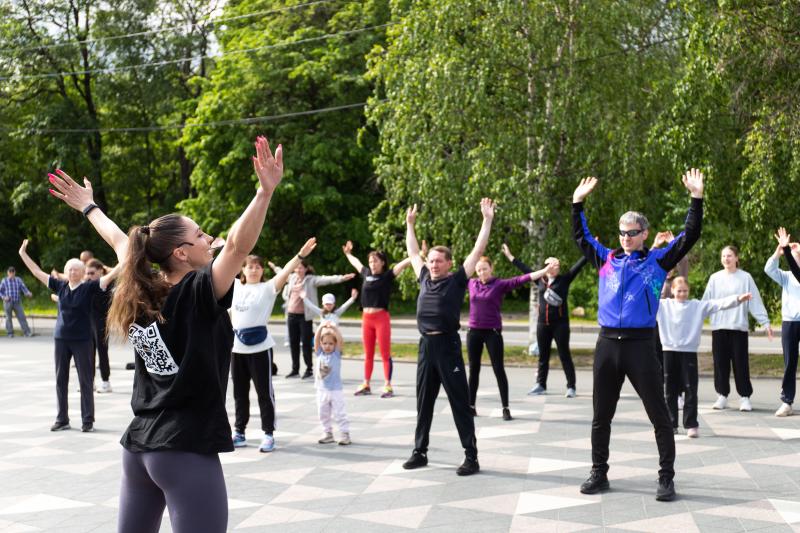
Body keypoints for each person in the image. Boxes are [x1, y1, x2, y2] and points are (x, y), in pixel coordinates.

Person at [48, 134, 283, 533]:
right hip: (183, 449)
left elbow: (122, 242)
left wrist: (89, 207)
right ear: (181, 253)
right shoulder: (196, 290)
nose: (209, 239)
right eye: (201, 235)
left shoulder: (140, 286)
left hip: (139, 448)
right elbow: (239, 248)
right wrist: (264, 193)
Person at [572, 169, 704, 502]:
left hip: (641, 345)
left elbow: (689, 235)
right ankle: (598, 473)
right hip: (607, 344)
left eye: (632, 233)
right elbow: (581, 238)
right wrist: (577, 203)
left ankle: (666, 478)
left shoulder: (657, 261)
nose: (626, 238)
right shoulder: (607, 259)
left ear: (644, 233)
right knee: (601, 415)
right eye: (622, 233)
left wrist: (696, 199)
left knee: (659, 415)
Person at [401, 198, 495, 477]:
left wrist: (487, 220)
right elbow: (413, 250)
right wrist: (410, 224)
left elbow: (478, 251)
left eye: (439, 261)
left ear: (449, 263)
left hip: (447, 346)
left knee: (459, 403)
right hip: (425, 346)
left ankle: (471, 456)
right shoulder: (424, 277)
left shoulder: (456, 280)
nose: (433, 265)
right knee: (423, 401)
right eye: (431, 261)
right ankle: (420, 452)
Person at [19, 242, 117, 432]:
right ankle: (62, 418)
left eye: (76, 269)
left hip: (82, 339)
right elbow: (37, 272)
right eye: (70, 269)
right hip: (61, 339)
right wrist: (23, 254)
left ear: (82, 272)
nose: (72, 272)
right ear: (65, 272)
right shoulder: (60, 286)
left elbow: (112, 275)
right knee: (60, 379)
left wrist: (128, 256)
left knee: (85, 380)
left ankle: (87, 420)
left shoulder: (89, 287)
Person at [231, 239, 316, 453]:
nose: (254, 269)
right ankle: (239, 432)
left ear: (262, 271)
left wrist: (300, 255)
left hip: (260, 348)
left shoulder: (268, 288)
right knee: (239, 393)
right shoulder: (233, 286)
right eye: (250, 266)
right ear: (243, 269)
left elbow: (286, 271)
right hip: (236, 348)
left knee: (264, 393)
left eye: (258, 266)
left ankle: (268, 434)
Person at [657, 276, 751, 437]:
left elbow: (718, 304)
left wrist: (738, 299)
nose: (682, 294)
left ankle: (691, 424)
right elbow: (643, 299)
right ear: (672, 290)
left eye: (685, 291)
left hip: (689, 352)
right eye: (679, 291)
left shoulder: (696, 306)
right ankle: (671, 424)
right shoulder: (663, 305)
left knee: (691, 389)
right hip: (669, 351)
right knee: (669, 391)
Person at [467, 254, 553, 420]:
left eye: (485, 269)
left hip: (492, 332)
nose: (482, 272)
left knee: (498, 369)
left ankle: (505, 407)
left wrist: (544, 270)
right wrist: (424, 258)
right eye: (478, 270)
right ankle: (471, 406)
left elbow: (523, 279)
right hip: (474, 332)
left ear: (491, 268)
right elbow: (447, 277)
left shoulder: (499, 284)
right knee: (473, 370)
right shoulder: (471, 283)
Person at [503, 245, 587, 398]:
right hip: (543, 324)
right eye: (551, 264)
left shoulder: (564, 279)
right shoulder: (540, 280)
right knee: (543, 356)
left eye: (557, 265)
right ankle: (540, 384)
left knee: (564, 355)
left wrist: (590, 247)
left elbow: (580, 264)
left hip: (560, 324)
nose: (555, 267)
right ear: (546, 266)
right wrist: (510, 257)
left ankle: (571, 387)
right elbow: (525, 270)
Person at [702, 245, 772, 412]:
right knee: (720, 364)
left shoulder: (745, 278)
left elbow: (755, 302)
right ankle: (722, 395)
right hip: (719, 327)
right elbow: (705, 303)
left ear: (736, 258)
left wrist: (765, 322)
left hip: (738, 328)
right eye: (724, 256)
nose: (726, 259)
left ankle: (745, 397)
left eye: (729, 256)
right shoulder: (714, 278)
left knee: (741, 363)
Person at [342, 241, 412, 398]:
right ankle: (366, 383)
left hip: (381, 318)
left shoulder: (387, 276)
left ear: (382, 263)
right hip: (366, 318)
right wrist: (348, 254)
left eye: (375, 261)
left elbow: (401, 265)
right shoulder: (366, 274)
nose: (372, 264)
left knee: (385, 353)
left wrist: (415, 255)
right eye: (370, 261)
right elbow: (356, 263)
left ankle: (388, 385)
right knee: (368, 354)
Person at [283, 263, 355, 379]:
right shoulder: (292, 278)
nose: (298, 269)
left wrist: (342, 277)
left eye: (301, 267)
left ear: (306, 269)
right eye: (296, 267)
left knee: (306, 343)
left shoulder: (311, 280)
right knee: (293, 343)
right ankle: (295, 369)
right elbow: (281, 273)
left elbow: (326, 279)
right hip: (291, 315)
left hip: (304, 316)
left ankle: (309, 369)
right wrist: (272, 266)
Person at [768, 228, 800, 417]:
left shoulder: (796, 274)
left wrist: (789, 249)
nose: (795, 259)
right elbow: (768, 269)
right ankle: (787, 401)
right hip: (789, 322)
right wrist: (779, 250)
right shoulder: (786, 277)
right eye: (794, 257)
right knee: (790, 362)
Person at [314, 322, 351, 445]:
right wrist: (320, 327)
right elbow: (316, 339)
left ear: (335, 345)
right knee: (322, 412)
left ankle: (345, 434)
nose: (327, 346)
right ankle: (327, 433)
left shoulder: (336, 354)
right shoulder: (319, 353)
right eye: (325, 343)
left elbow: (340, 340)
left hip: (336, 390)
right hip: (322, 390)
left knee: (339, 413)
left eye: (331, 343)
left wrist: (334, 328)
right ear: (321, 344)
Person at [85, 259, 113, 393]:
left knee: (102, 352)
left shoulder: (109, 284)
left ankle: (106, 382)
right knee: (89, 354)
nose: (89, 276)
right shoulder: (87, 284)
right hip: (88, 323)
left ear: (101, 271)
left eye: (92, 273)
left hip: (102, 323)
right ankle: (90, 382)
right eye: (87, 273)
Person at [0, 266, 33, 338]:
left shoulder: (18, 280)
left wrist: (28, 293)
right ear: (8, 273)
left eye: (13, 272)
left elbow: (23, 288)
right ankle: (10, 333)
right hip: (7, 302)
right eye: (10, 272)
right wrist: (4, 297)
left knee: (22, 316)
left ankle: (27, 332)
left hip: (17, 301)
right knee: (8, 318)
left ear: (14, 272)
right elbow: (0, 292)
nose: (11, 274)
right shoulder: (4, 281)